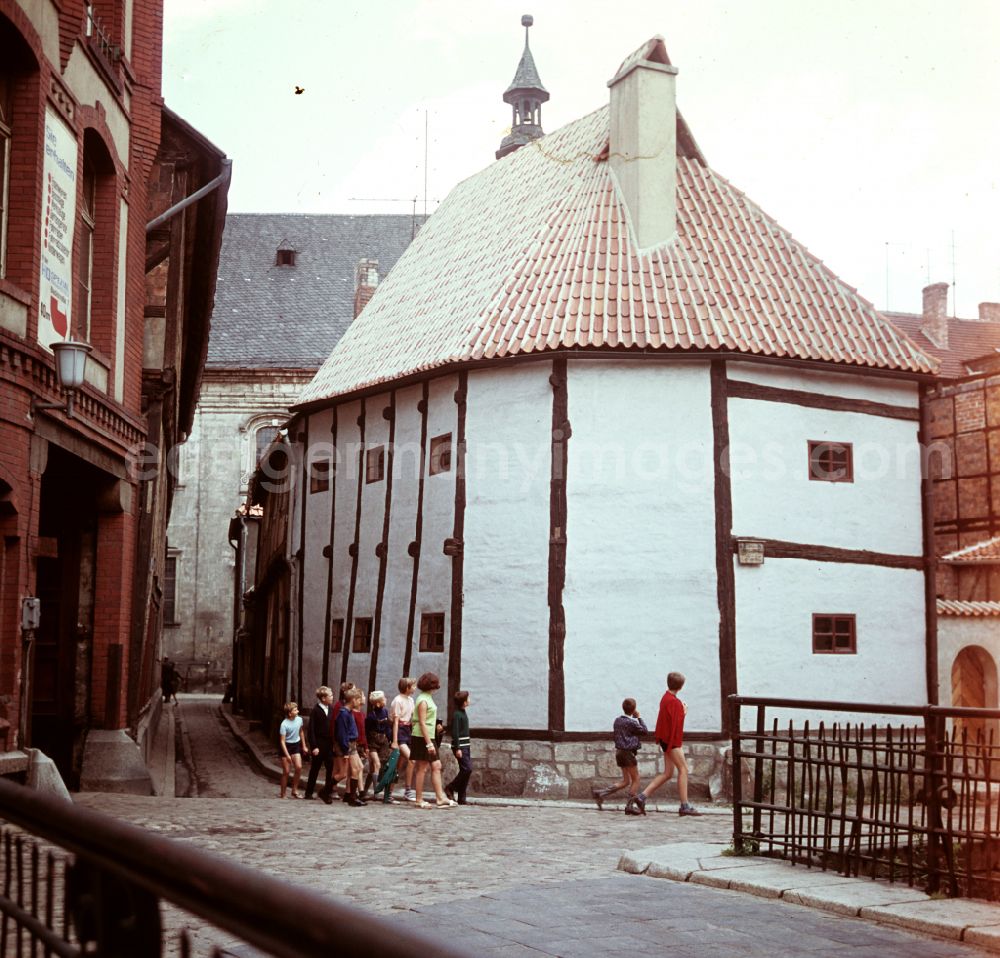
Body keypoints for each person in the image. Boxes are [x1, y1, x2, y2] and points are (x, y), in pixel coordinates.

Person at [631, 672, 702, 816]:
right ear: (681, 687)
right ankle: (684, 805)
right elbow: (676, 723)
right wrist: (684, 712)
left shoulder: (665, 697)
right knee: (683, 769)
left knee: (668, 773)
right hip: (672, 742)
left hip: (665, 740)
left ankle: (641, 797)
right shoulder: (675, 702)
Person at [410, 672, 456, 809]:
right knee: (422, 768)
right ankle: (419, 799)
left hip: (429, 736)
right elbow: (422, 723)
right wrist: (428, 743)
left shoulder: (427, 698)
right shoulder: (423, 700)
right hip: (423, 737)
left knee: (436, 766)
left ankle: (440, 797)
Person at [592, 697, 647, 810]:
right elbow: (644, 731)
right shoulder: (632, 722)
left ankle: (600, 793)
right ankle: (630, 805)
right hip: (628, 754)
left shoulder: (617, 720)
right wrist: (639, 717)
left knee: (626, 781)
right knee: (636, 779)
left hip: (620, 753)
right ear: (634, 709)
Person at [334, 687, 366, 807]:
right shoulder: (343, 714)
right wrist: (345, 750)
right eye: (358, 700)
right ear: (353, 700)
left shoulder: (349, 713)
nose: (359, 702)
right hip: (347, 745)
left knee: (358, 768)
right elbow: (342, 734)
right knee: (351, 771)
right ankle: (351, 797)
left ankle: (351, 796)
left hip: (353, 744)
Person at [303, 686, 335, 803]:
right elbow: (311, 730)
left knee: (330, 768)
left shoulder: (331, 709)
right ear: (323, 698)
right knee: (315, 768)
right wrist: (314, 746)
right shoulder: (316, 711)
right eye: (330, 696)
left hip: (329, 743)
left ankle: (327, 792)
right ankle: (309, 792)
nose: (332, 697)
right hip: (319, 743)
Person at [390, 677, 417, 802]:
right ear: (407, 688)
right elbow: (395, 722)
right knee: (412, 759)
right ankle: (408, 789)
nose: (415, 688)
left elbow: (412, 718)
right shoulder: (397, 700)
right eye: (413, 686)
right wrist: (395, 741)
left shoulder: (411, 700)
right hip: (399, 731)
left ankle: (389, 791)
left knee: (398, 765)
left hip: (407, 731)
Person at [445, 690, 473, 805]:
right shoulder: (457, 714)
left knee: (465, 770)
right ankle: (450, 787)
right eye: (468, 698)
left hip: (466, 745)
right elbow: (455, 732)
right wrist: (457, 748)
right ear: (464, 702)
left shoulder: (463, 712)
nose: (470, 700)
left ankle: (462, 797)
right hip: (460, 746)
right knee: (467, 769)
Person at [365, 691, 393, 800]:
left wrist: (390, 740)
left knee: (376, 767)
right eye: (383, 699)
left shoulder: (385, 712)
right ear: (377, 703)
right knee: (376, 764)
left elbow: (387, 728)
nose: (386, 699)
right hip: (373, 741)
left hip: (384, 741)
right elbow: (367, 731)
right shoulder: (371, 716)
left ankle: (365, 790)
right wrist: (366, 746)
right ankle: (376, 792)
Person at [278, 702, 307, 799]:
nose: (298, 711)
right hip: (286, 746)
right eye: (295, 710)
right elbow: (282, 741)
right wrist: (287, 755)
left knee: (298, 767)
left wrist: (304, 745)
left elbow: (301, 732)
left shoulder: (299, 720)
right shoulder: (284, 724)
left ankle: (294, 790)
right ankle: (283, 793)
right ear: (290, 713)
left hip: (296, 745)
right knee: (286, 771)